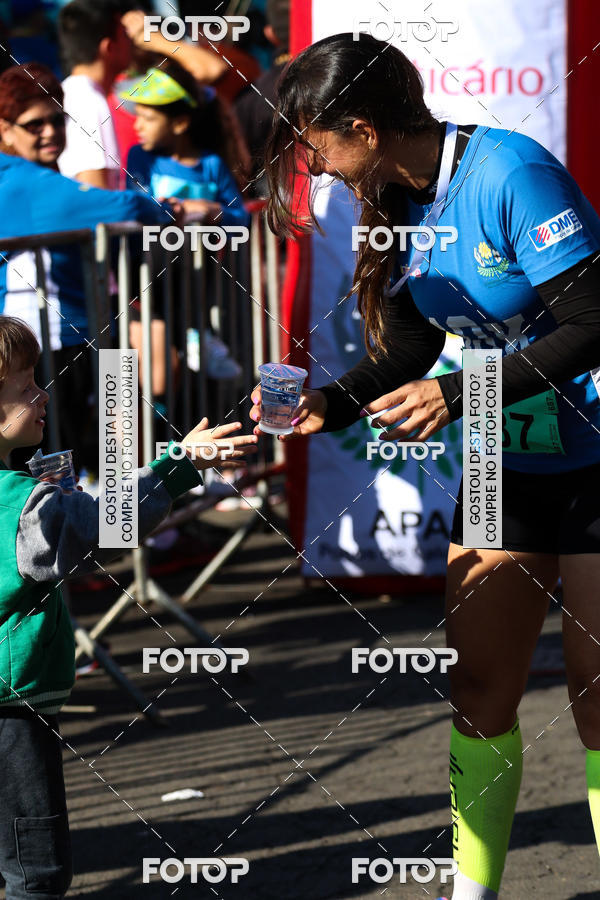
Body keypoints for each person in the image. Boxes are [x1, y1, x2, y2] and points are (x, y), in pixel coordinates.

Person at [250, 32, 600, 900]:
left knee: (597, 697)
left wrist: (460, 393)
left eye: (319, 149)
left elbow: (593, 321)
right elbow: (411, 342)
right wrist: (330, 401)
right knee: (479, 683)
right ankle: (471, 892)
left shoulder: (510, 172)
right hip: (500, 458)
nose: (319, 172)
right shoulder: (400, 195)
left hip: (597, 452)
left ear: (363, 129)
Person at [0, 313, 257, 898]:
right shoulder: (26, 509)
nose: (43, 394)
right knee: (33, 872)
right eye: (25, 387)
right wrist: (182, 465)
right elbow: (113, 519)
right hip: (12, 712)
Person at [0, 62, 173, 474]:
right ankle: (119, 534)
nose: (50, 132)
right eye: (33, 125)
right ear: (4, 130)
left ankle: (134, 533)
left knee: (102, 459)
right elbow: (127, 206)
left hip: (72, 337)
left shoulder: (36, 175)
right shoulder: (19, 181)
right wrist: (175, 210)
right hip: (45, 347)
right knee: (58, 472)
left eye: (56, 119)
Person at [122, 61, 250, 226]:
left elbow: (241, 217)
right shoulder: (139, 158)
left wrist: (212, 211)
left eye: (148, 119)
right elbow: (138, 207)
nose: (137, 125)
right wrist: (174, 209)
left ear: (180, 123)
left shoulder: (211, 164)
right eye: (137, 116)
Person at [57, 0, 134, 188]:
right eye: (125, 34)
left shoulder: (76, 94)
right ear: (109, 47)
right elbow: (95, 198)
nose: (133, 41)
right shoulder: (88, 102)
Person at [235, 0, 290, 196]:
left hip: (270, 203)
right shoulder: (334, 78)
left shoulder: (251, 95)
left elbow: (242, 165)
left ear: (270, 34)